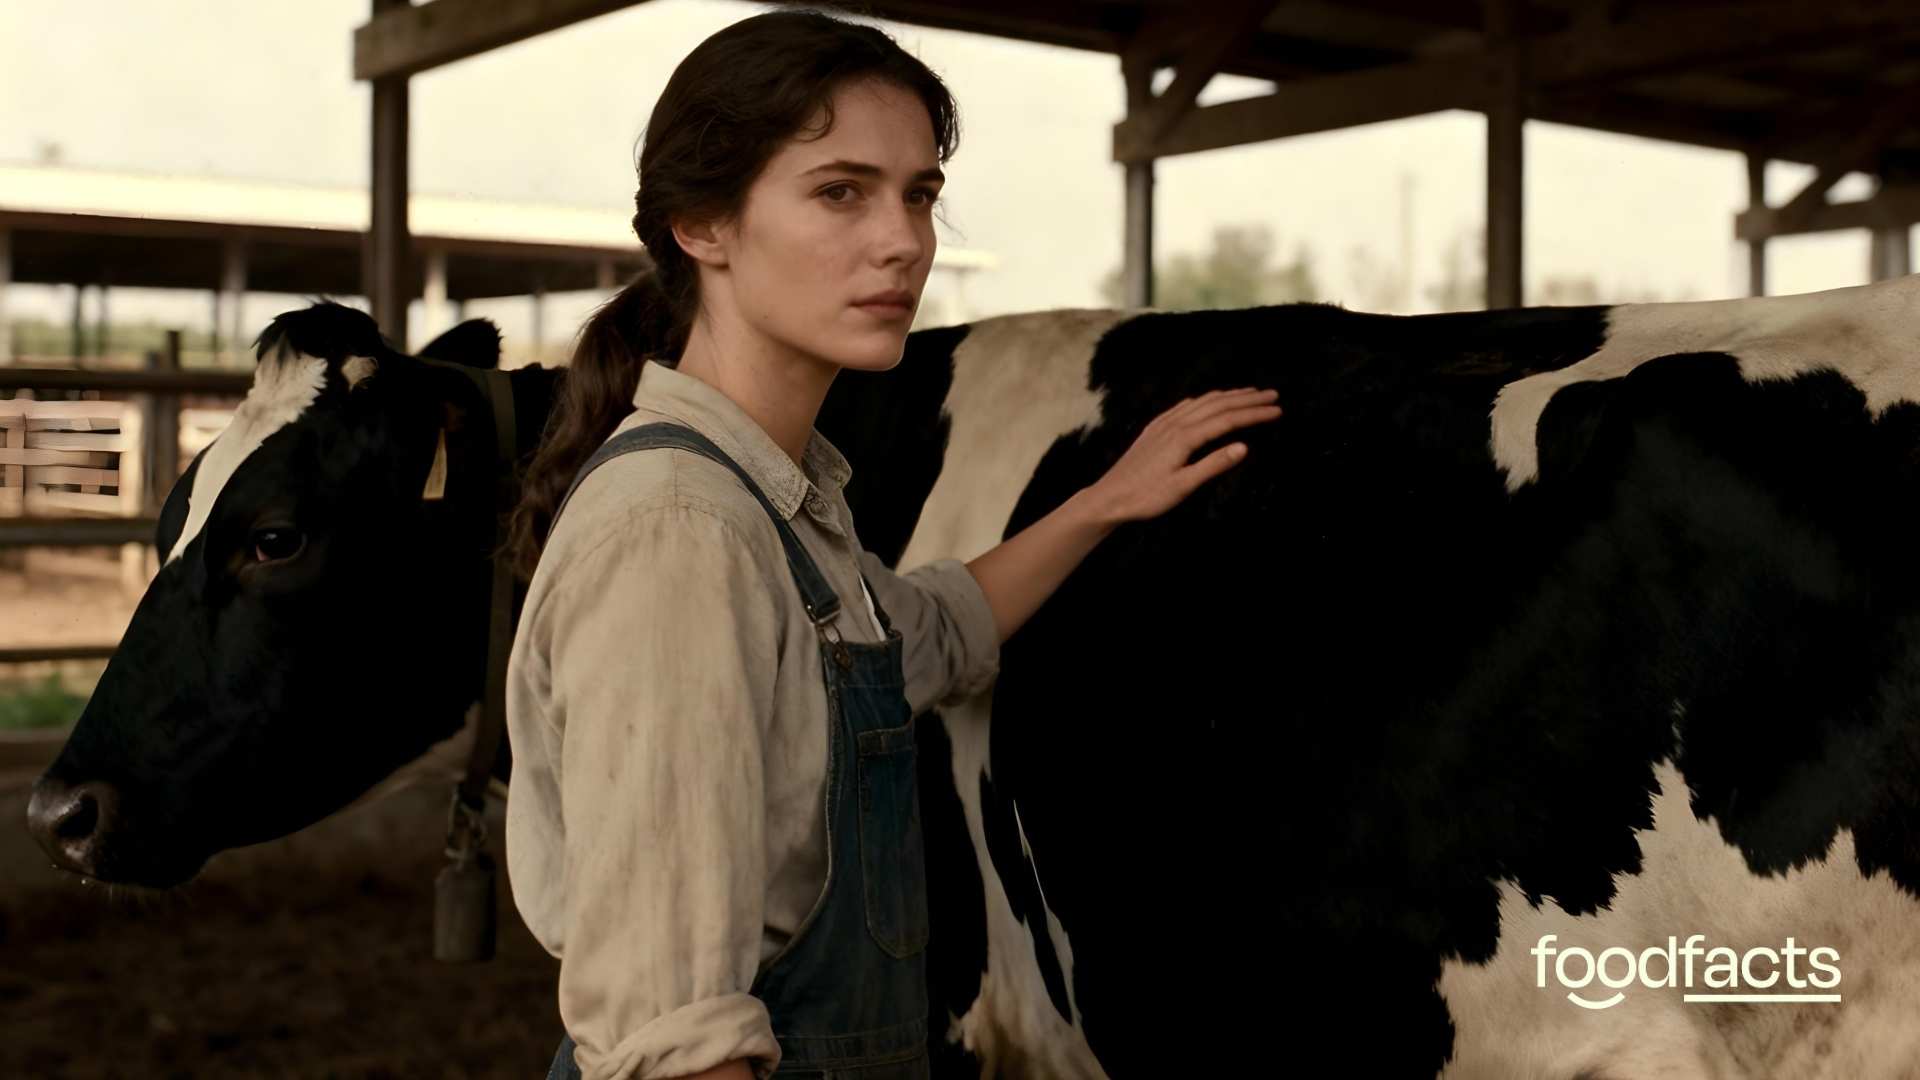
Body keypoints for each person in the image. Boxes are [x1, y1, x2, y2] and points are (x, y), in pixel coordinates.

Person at [501, 9, 1282, 1080]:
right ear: (703, 225)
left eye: (920, 194)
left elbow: (925, 635)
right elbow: (674, 1036)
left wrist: (1103, 500)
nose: (904, 240)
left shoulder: (779, 500)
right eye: (840, 191)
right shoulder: (681, 531)